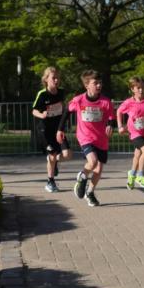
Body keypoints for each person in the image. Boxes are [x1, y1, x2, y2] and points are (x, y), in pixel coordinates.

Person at [61, 70, 116, 208]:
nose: (99, 85)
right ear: (87, 85)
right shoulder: (79, 100)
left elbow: (111, 116)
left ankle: (90, 192)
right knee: (93, 161)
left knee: (98, 169)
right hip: (85, 136)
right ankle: (82, 176)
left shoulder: (105, 102)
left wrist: (110, 125)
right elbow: (67, 111)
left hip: (101, 139)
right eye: (95, 83)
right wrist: (60, 129)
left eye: (100, 83)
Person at [31, 66, 71, 193]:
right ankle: (50, 182)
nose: (56, 80)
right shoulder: (42, 94)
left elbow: (63, 106)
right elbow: (34, 110)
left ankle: (54, 163)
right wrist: (41, 115)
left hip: (58, 129)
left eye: (58, 78)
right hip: (45, 130)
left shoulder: (61, 92)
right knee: (52, 154)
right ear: (46, 79)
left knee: (68, 155)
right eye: (53, 78)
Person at [117, 76, 144, 189]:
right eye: (138, 88)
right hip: (134, 132)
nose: (141, 90)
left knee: (137, 155)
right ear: (133, 89)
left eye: (143, 87)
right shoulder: (129, 102)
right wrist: (120, 126)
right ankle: (140, 175)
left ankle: (131, 174)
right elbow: (118, 111)